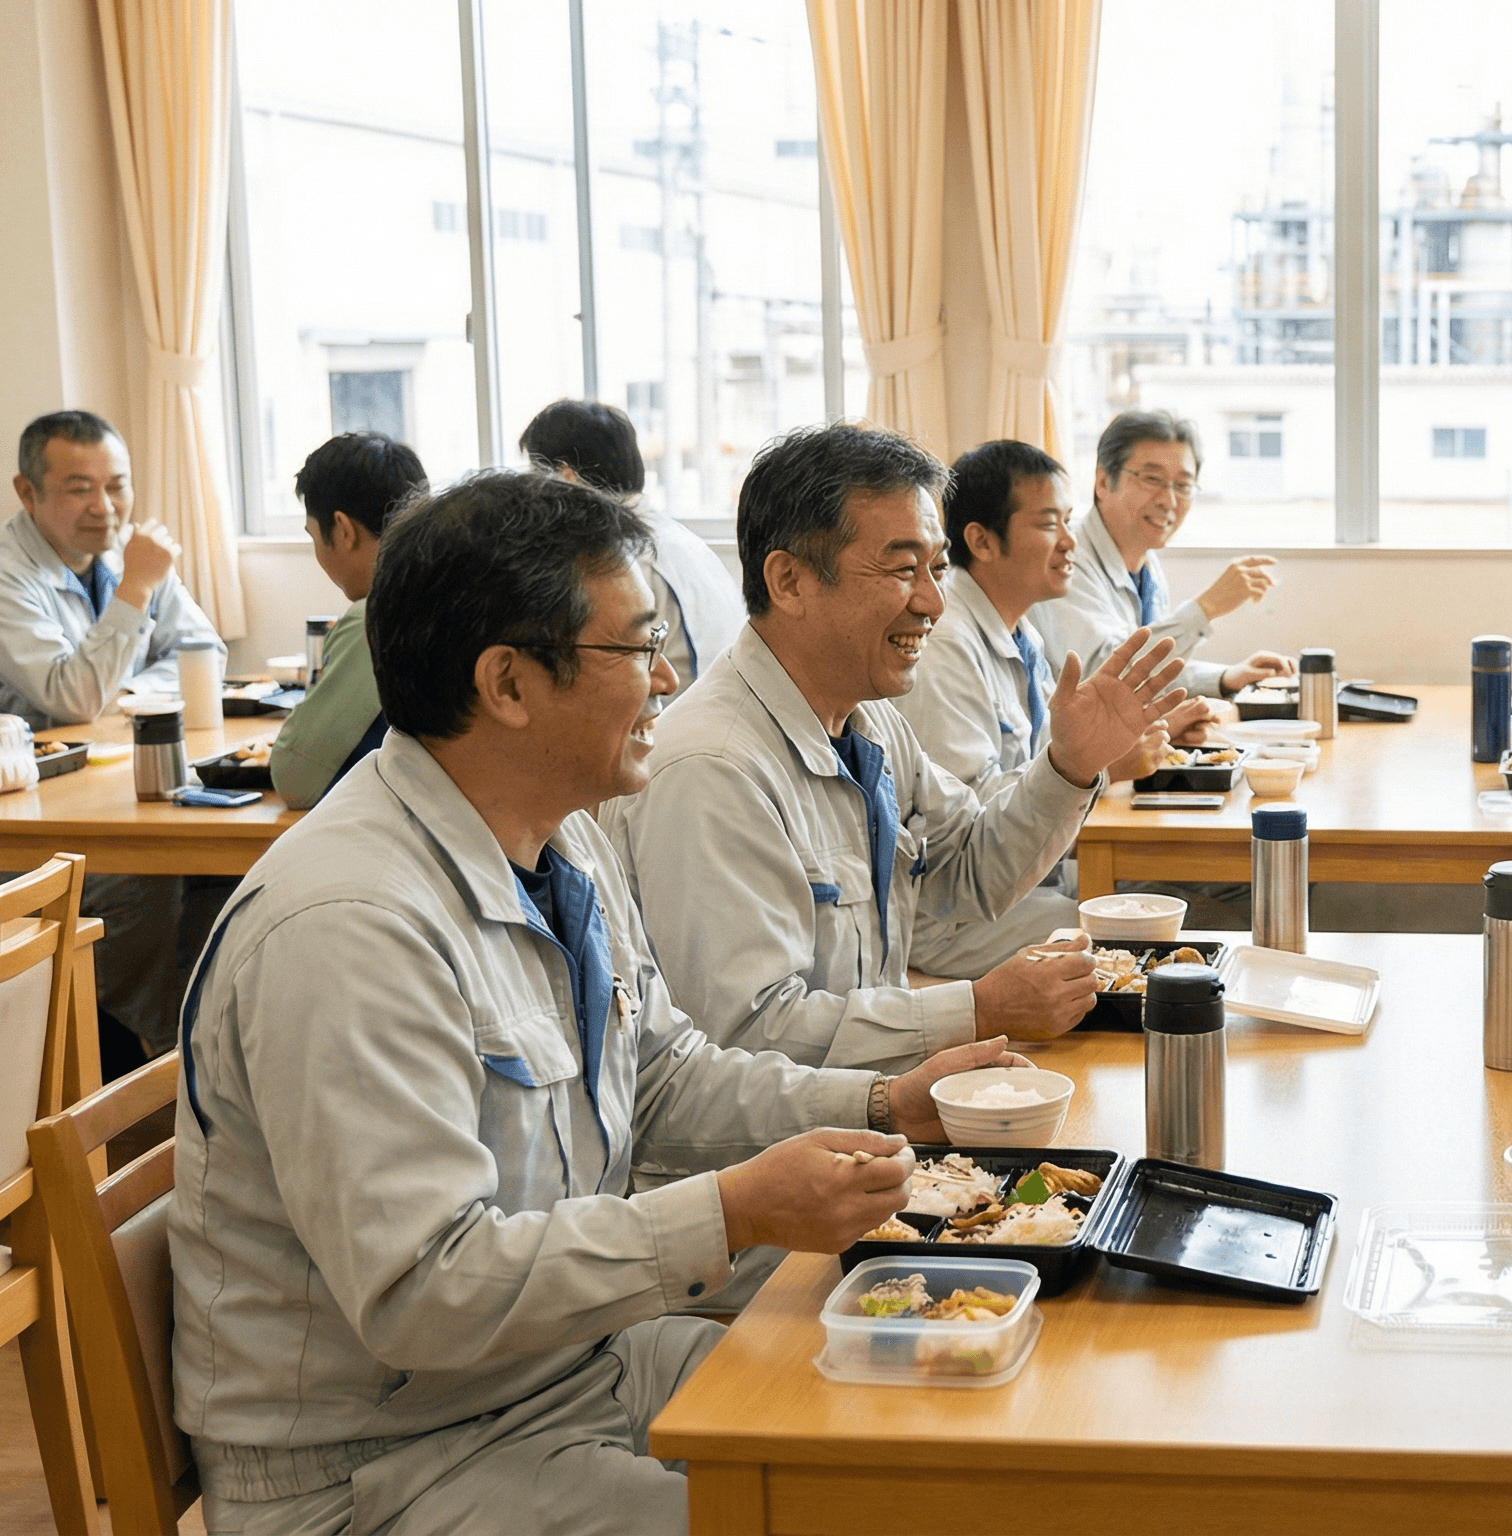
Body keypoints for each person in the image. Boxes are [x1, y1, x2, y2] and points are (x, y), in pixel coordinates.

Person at [170, 469, 1029, 1535]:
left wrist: (882, 1104)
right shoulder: (349, 925)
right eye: (635, 648)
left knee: (935, 1437)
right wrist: (733, 1210)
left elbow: (661, 1072)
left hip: (570, 1368)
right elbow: (425, 1291)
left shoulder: (557, 835)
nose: (669, 676)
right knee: (832, 1504)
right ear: (509, 683)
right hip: (387, 1466)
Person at [610, 423, 1185, 1074]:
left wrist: (1071, 767)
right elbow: (745, 1034)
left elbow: (970, 874)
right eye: (903, 569)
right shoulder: (712, 768)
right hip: (784, 1158)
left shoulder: (871, 724)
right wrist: (973, 1011)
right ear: (789, 580)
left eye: (937, 569)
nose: (934, 603)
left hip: (867, 1117)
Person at [0, 410, 222, 1060]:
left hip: (110, 788)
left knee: (219, 876)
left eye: (117, 485)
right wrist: (136, 588)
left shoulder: (130, 556)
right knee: (143, 878)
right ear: (27, 492)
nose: (105, 507)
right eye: (79, 488)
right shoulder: (13, 576)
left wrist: (120, 695)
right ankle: (143, 1060)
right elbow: (69, 697)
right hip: (33, 828)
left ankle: (200, 1052)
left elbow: (202, 651)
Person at [892, 439, 1122, 976]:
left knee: (1147, 908)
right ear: (982, 540)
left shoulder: (1021, 632)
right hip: (952, 916)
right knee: (1124, 941)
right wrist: (1097, 768)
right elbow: (966, 817)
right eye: (1048, 525)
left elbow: (1041, 759)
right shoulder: (944, 643)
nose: (1071, 543)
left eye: (1070, 522)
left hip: (1020, 882)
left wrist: (1100, 749)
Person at [1029, 408, 1293, 702]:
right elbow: (1102, 681)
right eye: (1152, 479)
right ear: (1103, 482)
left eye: (1182, 485)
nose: (1169, 500)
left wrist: (1227, 678)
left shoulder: (1147, 565)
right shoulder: (1066, 558)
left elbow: (1149, 676)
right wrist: (1205, 607)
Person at [520, 398, 743, 683]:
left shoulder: (614, 557)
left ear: (567, 476)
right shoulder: (683, 539)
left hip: (667, 717)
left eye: (537, 475)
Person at [272, 432, 427, 810]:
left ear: (342, 530)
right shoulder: (460, 589)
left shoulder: (379, 617)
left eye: (314, 535)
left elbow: (296, 777)